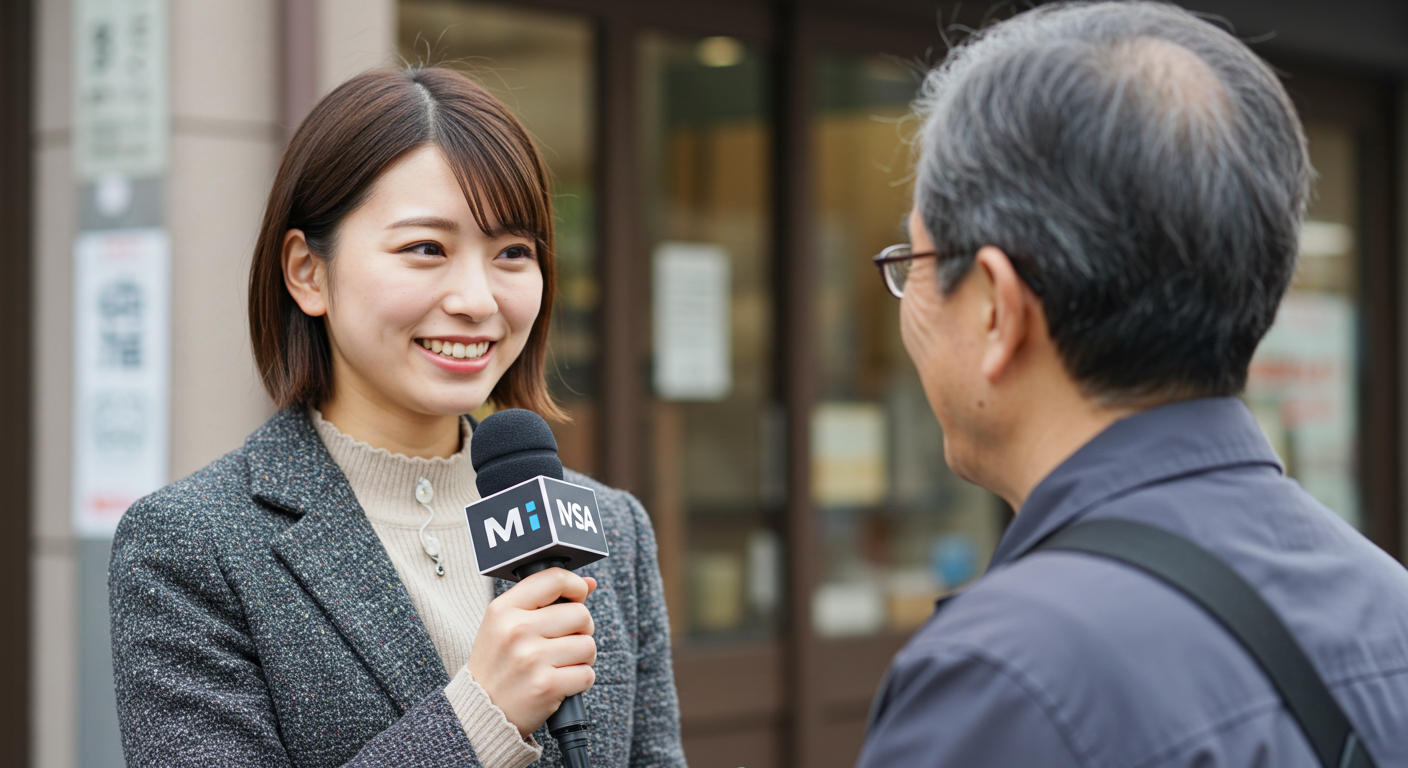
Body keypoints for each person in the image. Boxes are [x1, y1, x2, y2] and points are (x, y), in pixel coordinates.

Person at [858, 3, 1408, 767]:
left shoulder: (1007, 678)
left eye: (914, 264)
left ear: (996, 307)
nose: (908, 303)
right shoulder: (1388, 602)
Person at [109, 67, 685, 768]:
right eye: (425, 249)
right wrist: (481, 717)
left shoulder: (612, 529)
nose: (477, 299)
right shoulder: (193, 545)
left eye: (512, 253)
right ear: (307, 272)